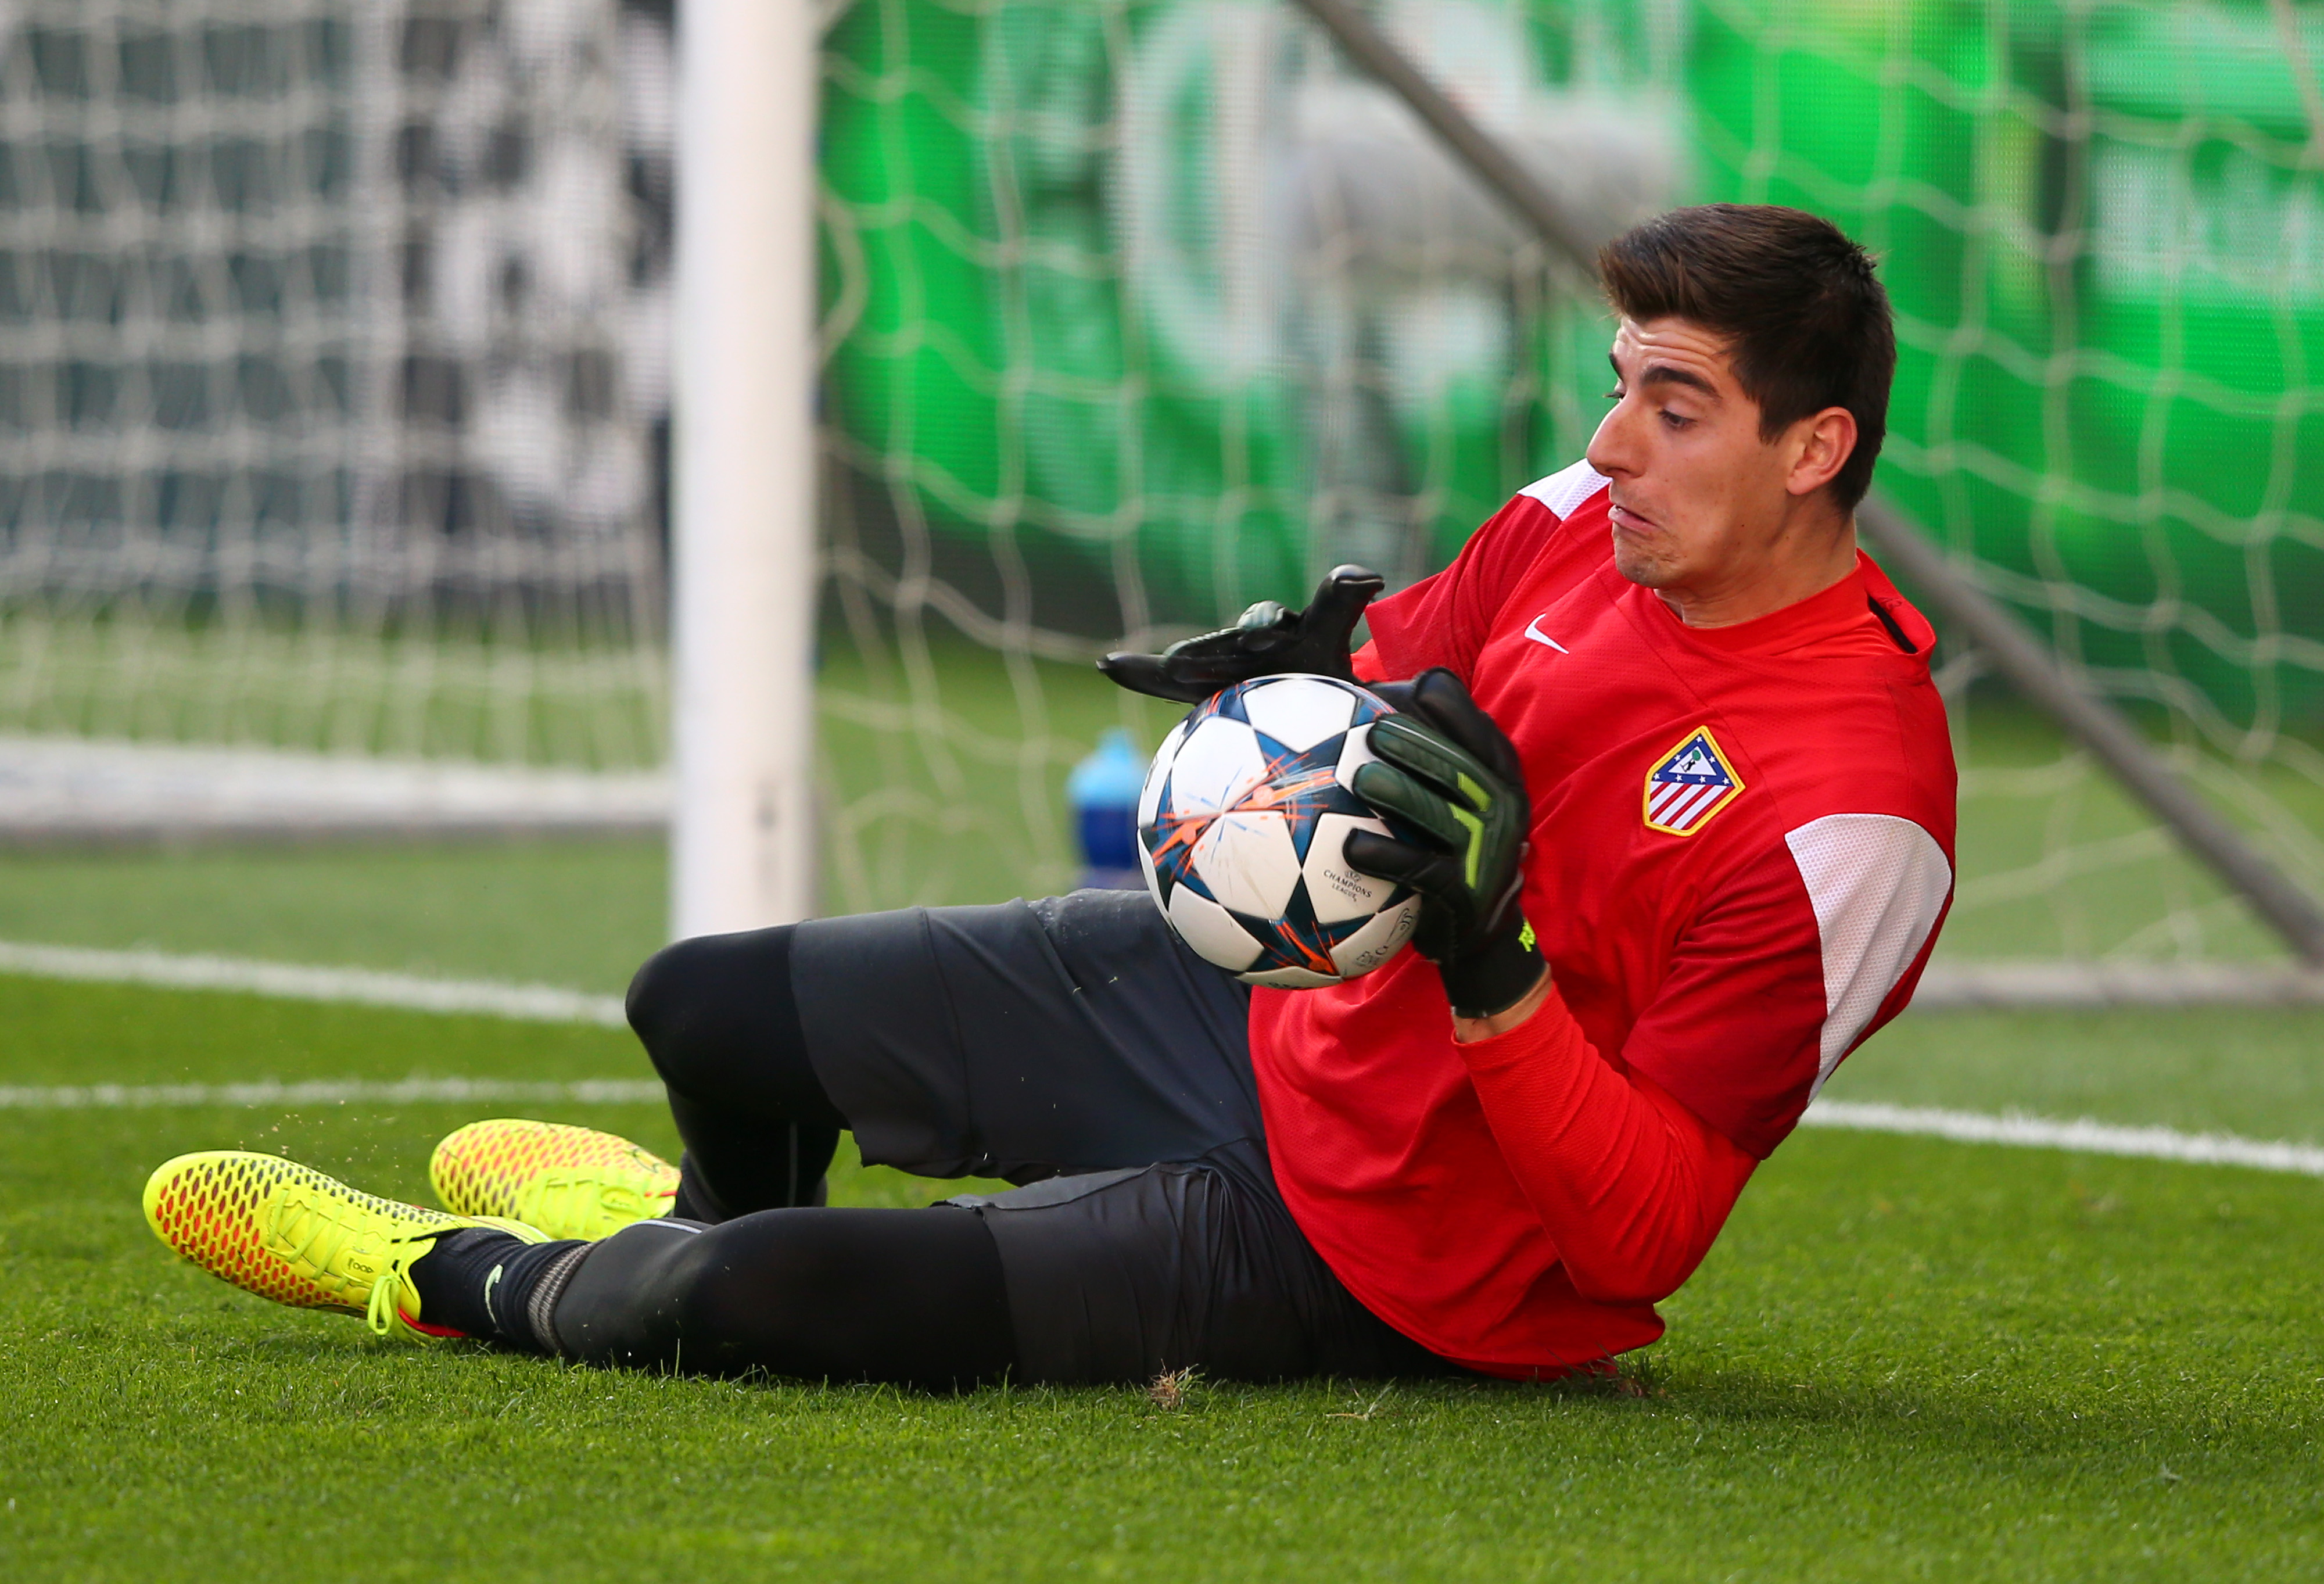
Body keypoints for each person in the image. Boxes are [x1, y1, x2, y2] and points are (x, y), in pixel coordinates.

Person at [142, 203, 1955, 1387]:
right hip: (1273, 1011)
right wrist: (1307, 667)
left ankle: (439, 1270)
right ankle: (673, 1218)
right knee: (698, 1001)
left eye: (1680, 405)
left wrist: (1494, 968)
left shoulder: (1847, 819)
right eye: (1620, 384)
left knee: (753, 1310)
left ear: (1818, 450)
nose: (1615, 441)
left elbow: (1644, 1234)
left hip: (1404, 1259)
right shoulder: (1581, 515)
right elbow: (1411, 656)